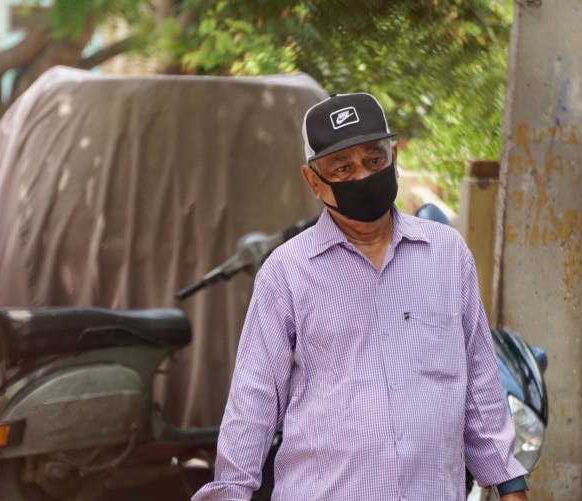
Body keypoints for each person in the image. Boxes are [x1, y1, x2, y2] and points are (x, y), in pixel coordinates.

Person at [192, 93, 529, 500]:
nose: (363, 175)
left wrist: (510, 484)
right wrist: (229, 492)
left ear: (394, 157)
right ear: (313, 181)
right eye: (343, 167)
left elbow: (478, 377)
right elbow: (253, 403)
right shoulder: (287, 273)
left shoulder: (447, 254)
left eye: (374, 159)